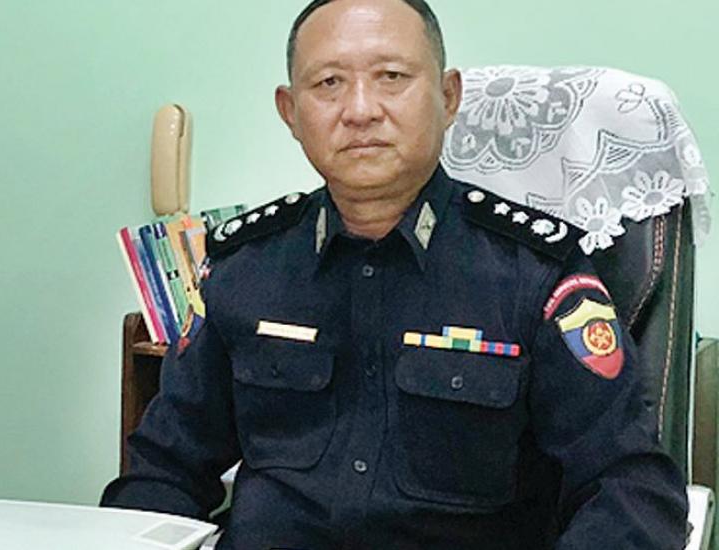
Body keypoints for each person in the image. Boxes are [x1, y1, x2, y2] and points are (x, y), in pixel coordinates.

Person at [101, 0, 688, 548]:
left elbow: (631, 488)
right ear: (290, 112)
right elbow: (164, 471)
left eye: (391, 77)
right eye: (329, 83)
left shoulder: (534, 274)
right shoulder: (242, 268)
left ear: (448, 97)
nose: (360, 110)